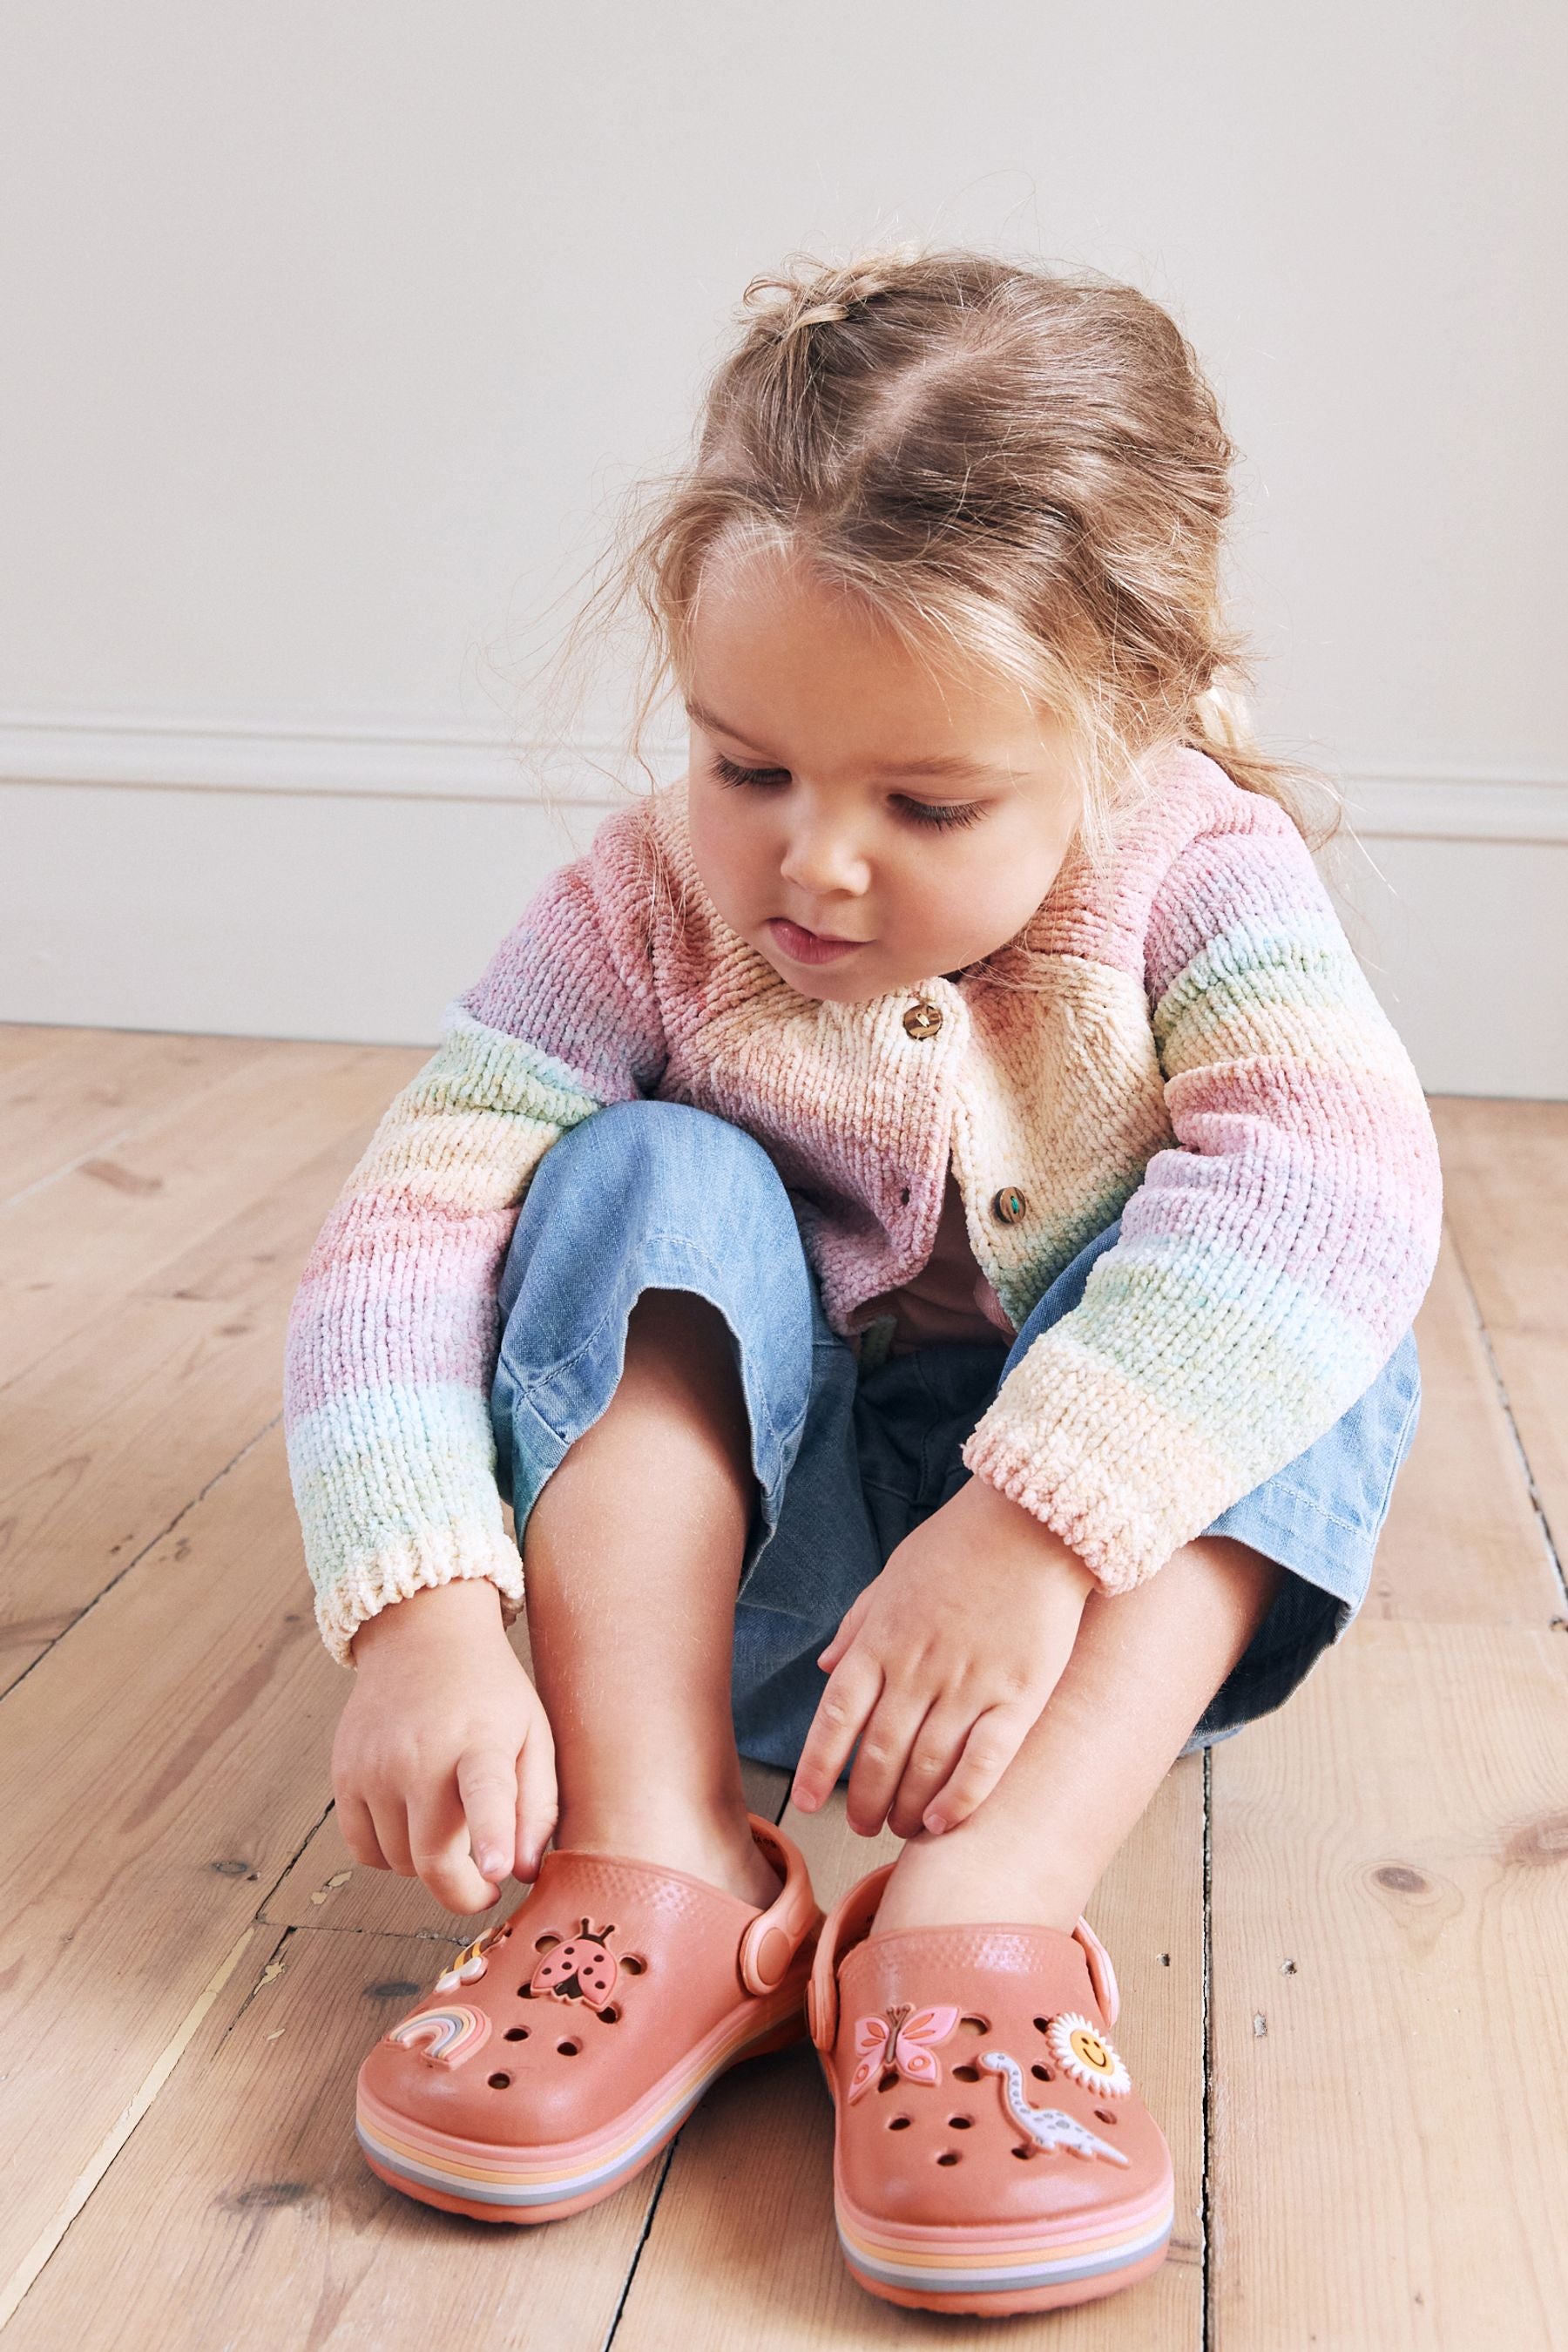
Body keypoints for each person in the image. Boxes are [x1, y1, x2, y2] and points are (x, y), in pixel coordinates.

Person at [284, 245, 1440, 2318]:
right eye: (750, 770)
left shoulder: (1190, 871)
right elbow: (410, 1225)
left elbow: (1336, 1179)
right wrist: (421, 1617)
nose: (814, 864)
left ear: (1130, 724)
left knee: (1312, 1271)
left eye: (924, 803)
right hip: (747, 1603)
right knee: (637, 1171)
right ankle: (654, 1863)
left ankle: (969, 1914)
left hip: (1058, 1646)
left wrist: (1033, 1521)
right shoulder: (637, 909)